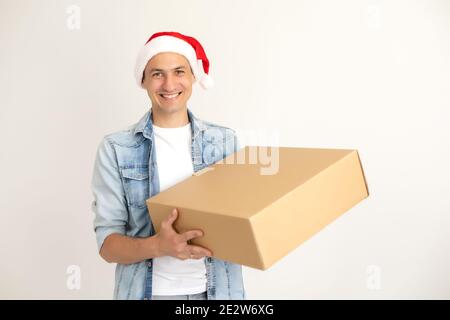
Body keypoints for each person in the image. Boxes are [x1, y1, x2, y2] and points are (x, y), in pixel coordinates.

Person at [91, 31, 245, 300]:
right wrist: (158, 246)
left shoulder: (224, 141)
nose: (169, 84)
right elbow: (108, 246)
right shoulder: (116, 149)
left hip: (219, 293)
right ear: (144, 81)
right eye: (158, 74)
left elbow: (243, 222)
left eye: (179, 71)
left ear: (193, 76)